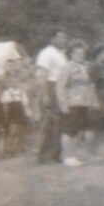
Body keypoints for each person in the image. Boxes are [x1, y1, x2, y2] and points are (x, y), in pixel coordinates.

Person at [57, 42, 97, 167]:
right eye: (77, 53)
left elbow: (90, 85)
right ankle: (67, 156)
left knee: (78, 131)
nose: (80, 55)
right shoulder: (67, 67)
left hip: (84, 102)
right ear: (71, 54)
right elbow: (60, 87)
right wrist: (63, 104)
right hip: (72, 102)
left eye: (82, 53)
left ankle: (74, 155)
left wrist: (93, 101)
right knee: (69, 131)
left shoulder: (85, 67)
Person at [35, 30, 69, 164]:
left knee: (59, 122)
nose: (63, 40)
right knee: (50, 122)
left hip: (61, 88)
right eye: (60, 37)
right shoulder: (46, 53)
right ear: (52, 38)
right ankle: (43, 155)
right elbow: (42, 75)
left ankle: (56, 154)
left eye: (64, 37)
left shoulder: (62, 54)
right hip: (51, 87)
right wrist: (45, 94)